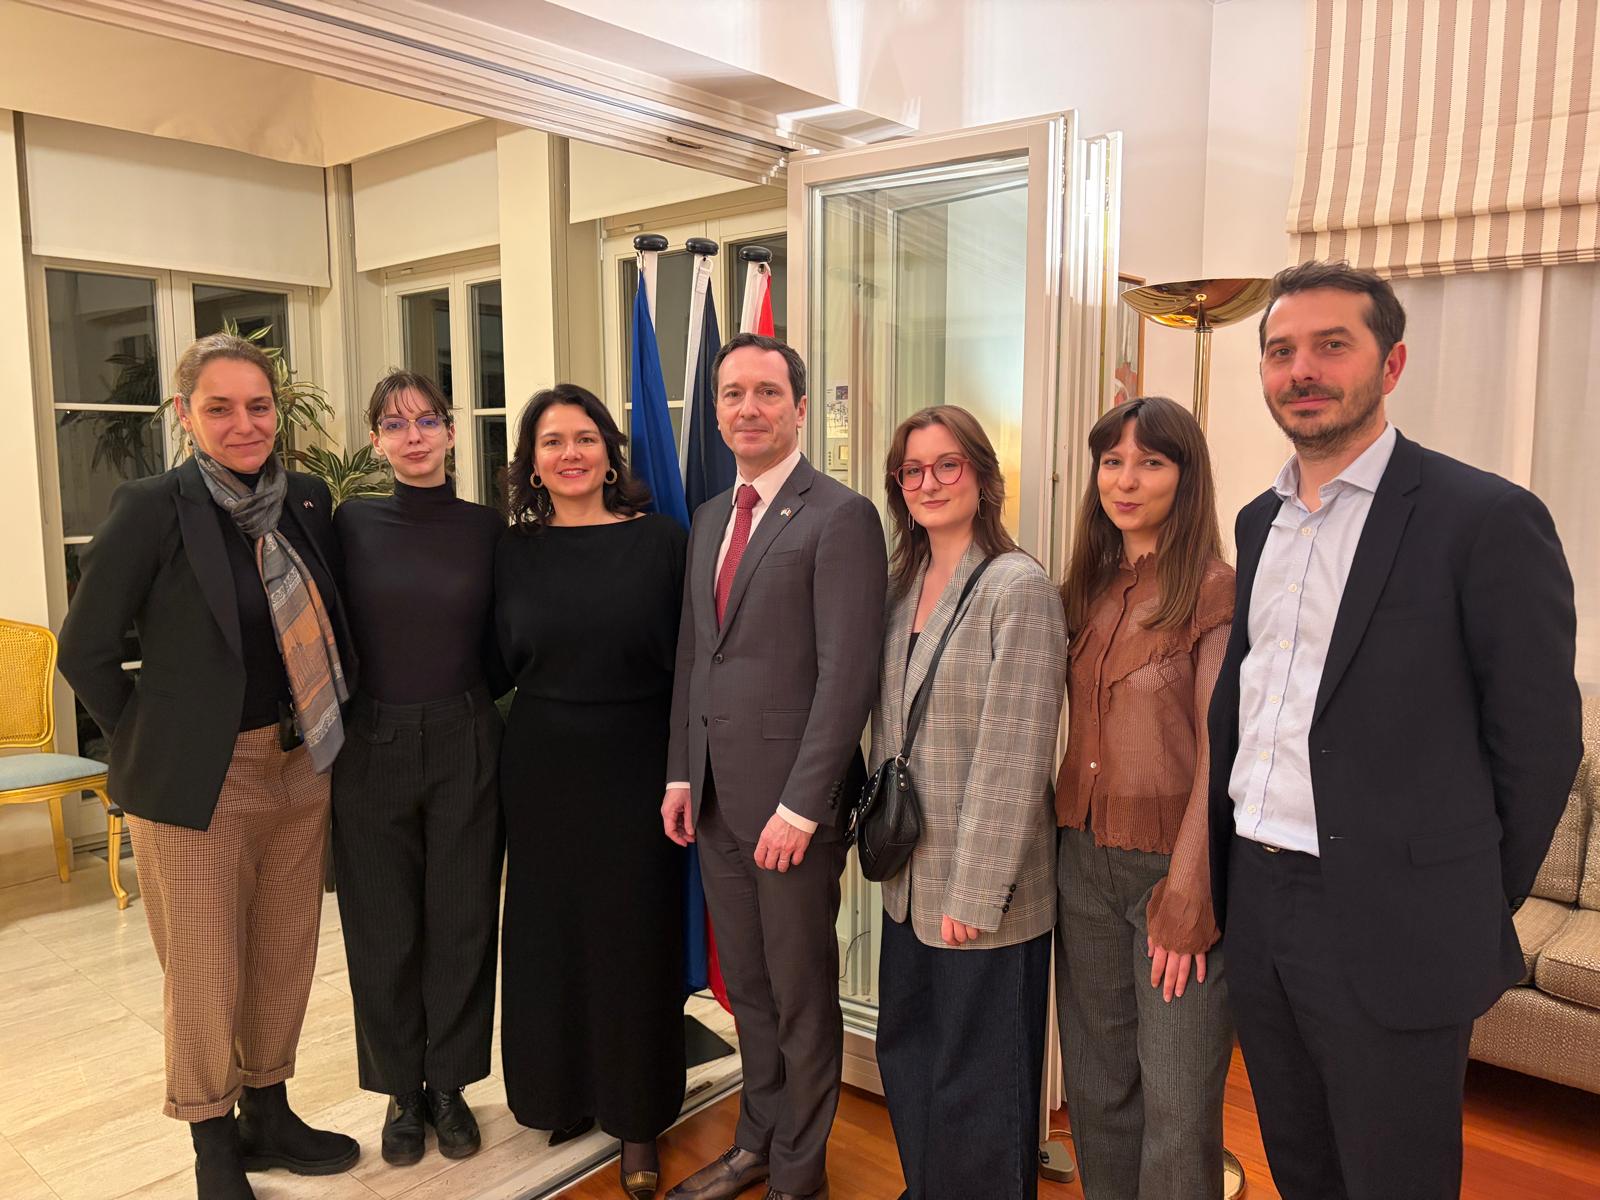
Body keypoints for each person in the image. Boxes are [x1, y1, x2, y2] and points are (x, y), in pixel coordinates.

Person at [1207, 261, 1582, 1200]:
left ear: (1392, 361)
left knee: (1396, 1176)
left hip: (1391, 915)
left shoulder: (1484, 518)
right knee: (1299, 1160)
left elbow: (1538, 744)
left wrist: (1454, 898)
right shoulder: (1261, 522)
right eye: (1282, 350)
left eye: (1333, 345)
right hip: (1260, 893)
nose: (1304, 370)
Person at [57, 333, 360, 1200]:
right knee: (201, 969)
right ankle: (211, 1142)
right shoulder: (154, 505)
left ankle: (269, 1111)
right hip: (198, 784)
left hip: (299, 763)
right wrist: (155, 738)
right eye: (220, 407)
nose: (243, 423)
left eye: (258, 406)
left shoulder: (304, 501)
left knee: (283, 952)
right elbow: (85, 648)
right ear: (186, 415)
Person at [661, 332, 887, 1200]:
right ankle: (755, 1139)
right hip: (715, 800)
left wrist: (805, 805)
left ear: (798, 406)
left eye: (765, 392)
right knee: (747, 989)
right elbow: (696, 655)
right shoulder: (713, 516)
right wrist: (684, 775)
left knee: (799, 994)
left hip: (791, 811)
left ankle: (800, 1172)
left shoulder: (840, 515)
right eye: (731, 394)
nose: (747, 409)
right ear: (715, 410)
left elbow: (847, 676)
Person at [496, 383, 689, 1200]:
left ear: (611, 452)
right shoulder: (510, 550)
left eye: (584, 438)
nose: (569, 453)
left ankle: (638, 1115)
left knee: (632, 939)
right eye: (551, 442)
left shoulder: (662, 544)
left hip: (638, 762)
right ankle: (560, 1092)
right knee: (549, 935)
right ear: (532, 464)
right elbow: (487, 659)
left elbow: (694, 665)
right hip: (539, 764)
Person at [870, 406, 1066, 1200]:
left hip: (981, 895)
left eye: (946, 465)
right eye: (912, 471)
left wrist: (976, 892)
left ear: (983, 477)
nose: (928, 483)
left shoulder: (1019, 588)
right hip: (907, 883)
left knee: (980, 1086)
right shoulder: (899, 586)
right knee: (909, 1058)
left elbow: (1015, 755)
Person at [1054, 396, 1235, 1199]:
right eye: (1112, 461)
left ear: (1186, 477)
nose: (1125, 480)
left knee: (1177, 1102)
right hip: (1082, 862)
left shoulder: (1215, 589)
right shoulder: (1087, 586)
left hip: (1172, 870)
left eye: (1151, 462)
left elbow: (1220, 756)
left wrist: (1190, 892)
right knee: (1097, 1088)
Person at [330, 370, 506, 1167]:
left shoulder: (487, 528)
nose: (413, 436)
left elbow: (508, 642)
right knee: (383, 927)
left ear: (452, 431)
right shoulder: (349, 525)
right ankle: (402, 1089)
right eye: (394, 425)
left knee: (464, 919)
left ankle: (450, 1084)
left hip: (467, 736)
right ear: (375, 441)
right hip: (371, 745)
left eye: (426, 420)